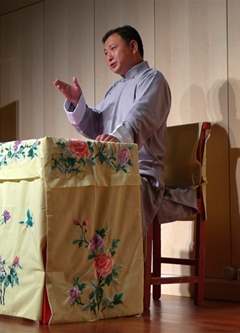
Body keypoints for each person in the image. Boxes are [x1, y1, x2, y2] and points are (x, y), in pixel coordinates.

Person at [54, 25, 196, 235]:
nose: (108, 56)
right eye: (105, 53)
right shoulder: (114, 89)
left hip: (139, 172)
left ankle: (125, 267)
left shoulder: (153, 78)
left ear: (133, 46)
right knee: (74, 194)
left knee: (114, 206)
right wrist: (77, 104)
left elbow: (142, 115)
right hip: (109, 170)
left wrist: (118, 138)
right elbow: (96, 126)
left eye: (112, 48)